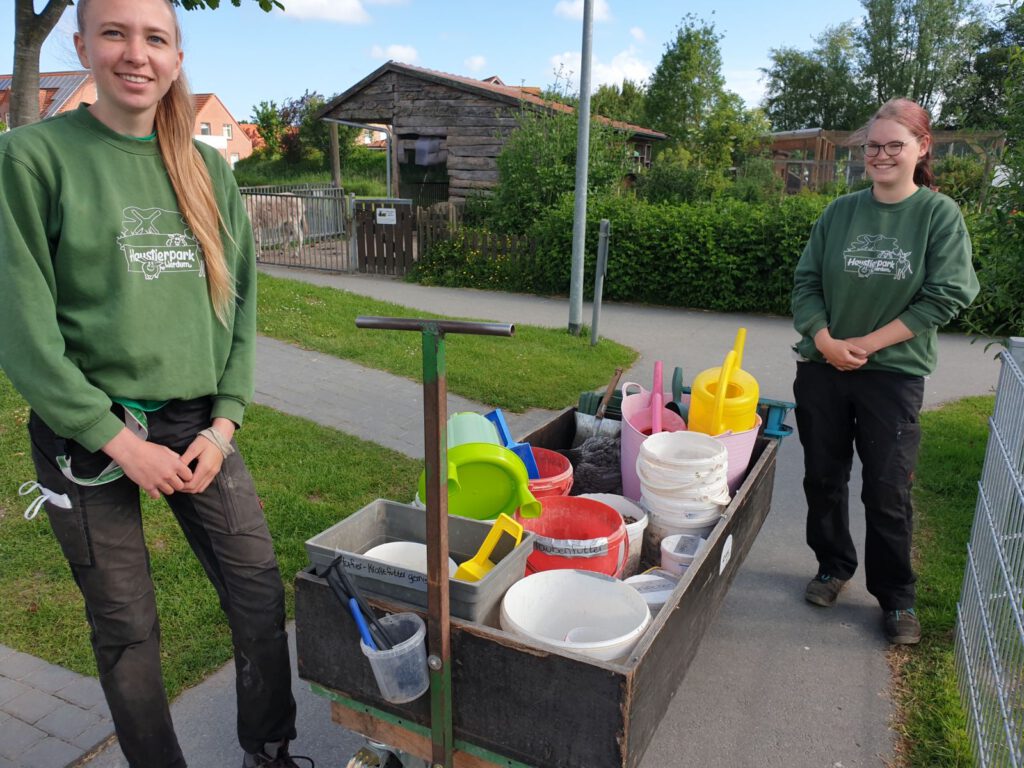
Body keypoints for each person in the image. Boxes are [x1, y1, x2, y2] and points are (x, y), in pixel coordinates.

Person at [0, 0, 308, 765]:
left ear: (176, 56)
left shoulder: (206, 166)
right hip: (89, 435)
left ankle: (267, 750)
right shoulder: (32, 159)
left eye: (155, 38)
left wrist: (223, 424)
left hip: (199, 427)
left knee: (260, 596)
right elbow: (22, 329)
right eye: (114, 33)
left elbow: (239, 308)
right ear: (81, 46)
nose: (135, 54)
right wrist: (115, 440)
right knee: (127, 627)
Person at [790, 98, 979, 645]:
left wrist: (864, 345)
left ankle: (897, 599)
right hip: (823, 367)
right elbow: (806, 284)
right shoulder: (839, 213)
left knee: (888, 489)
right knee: (823, 478)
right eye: (873, 146)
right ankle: (832, 567)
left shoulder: (937, 215)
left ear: (922, 148)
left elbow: (946, 295)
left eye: (894, 145)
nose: (881, 155)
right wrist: (825, 340)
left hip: (892, 374)